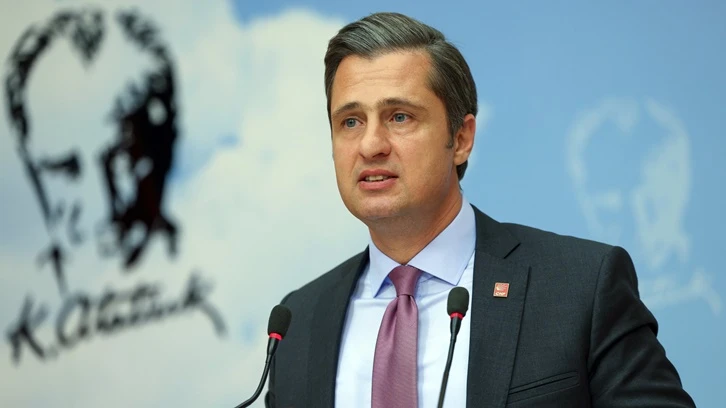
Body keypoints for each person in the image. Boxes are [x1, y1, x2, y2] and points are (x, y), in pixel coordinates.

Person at [265, 12, 695, 408]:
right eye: (350, 122)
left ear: (461, 138)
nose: (371, 145)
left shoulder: (580, 287)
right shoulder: (298, 321)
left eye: (399, 117)